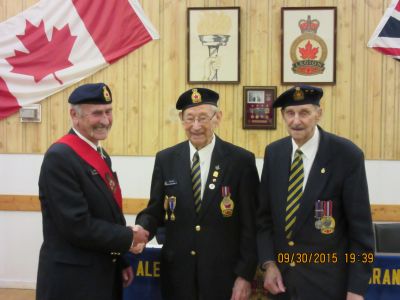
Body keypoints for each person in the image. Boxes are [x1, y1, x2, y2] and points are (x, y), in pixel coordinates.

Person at [135, 87, 259, 300]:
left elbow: (252, 224)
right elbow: (155, 209)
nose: (196, 126)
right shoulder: (166, 159)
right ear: (181, 120)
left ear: (217, 117)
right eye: (189, 118)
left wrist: (245, 275)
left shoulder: (240, 161)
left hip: (223, 278)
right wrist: (142, 229)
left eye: (203, 118)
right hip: (177, 276)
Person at [257, 85, 374, 300]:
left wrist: (356, 290)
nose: (296, 121)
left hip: (327, 287)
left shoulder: (346, 155)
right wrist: (268, 264)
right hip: (282, 285)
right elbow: (264, 219)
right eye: (290, 113)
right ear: (283, 115)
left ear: (318, 114)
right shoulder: (274, 153)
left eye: (304, 113)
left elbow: (361, 232)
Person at [36, 83, 149, 300]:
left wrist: (120, 261)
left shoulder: (101, 154)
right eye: (97, 113)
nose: (105, 120)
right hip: (74, 281)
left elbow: (107, 214)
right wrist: (129, 237)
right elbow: (76, 225)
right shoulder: (60, 157)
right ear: (73, 115)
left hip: (101, 272)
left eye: (108, 111)